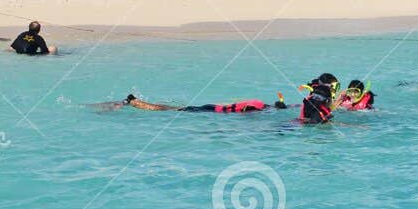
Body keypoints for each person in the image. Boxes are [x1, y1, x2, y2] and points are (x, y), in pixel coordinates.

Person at [109, 92, 287, 113]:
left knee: (173, 108)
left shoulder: (260, 103)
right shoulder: (255, 108)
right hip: (210, 111)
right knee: (170, 110)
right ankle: (133, 102)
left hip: (212, 107)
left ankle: (132, 101)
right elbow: (247, 109)